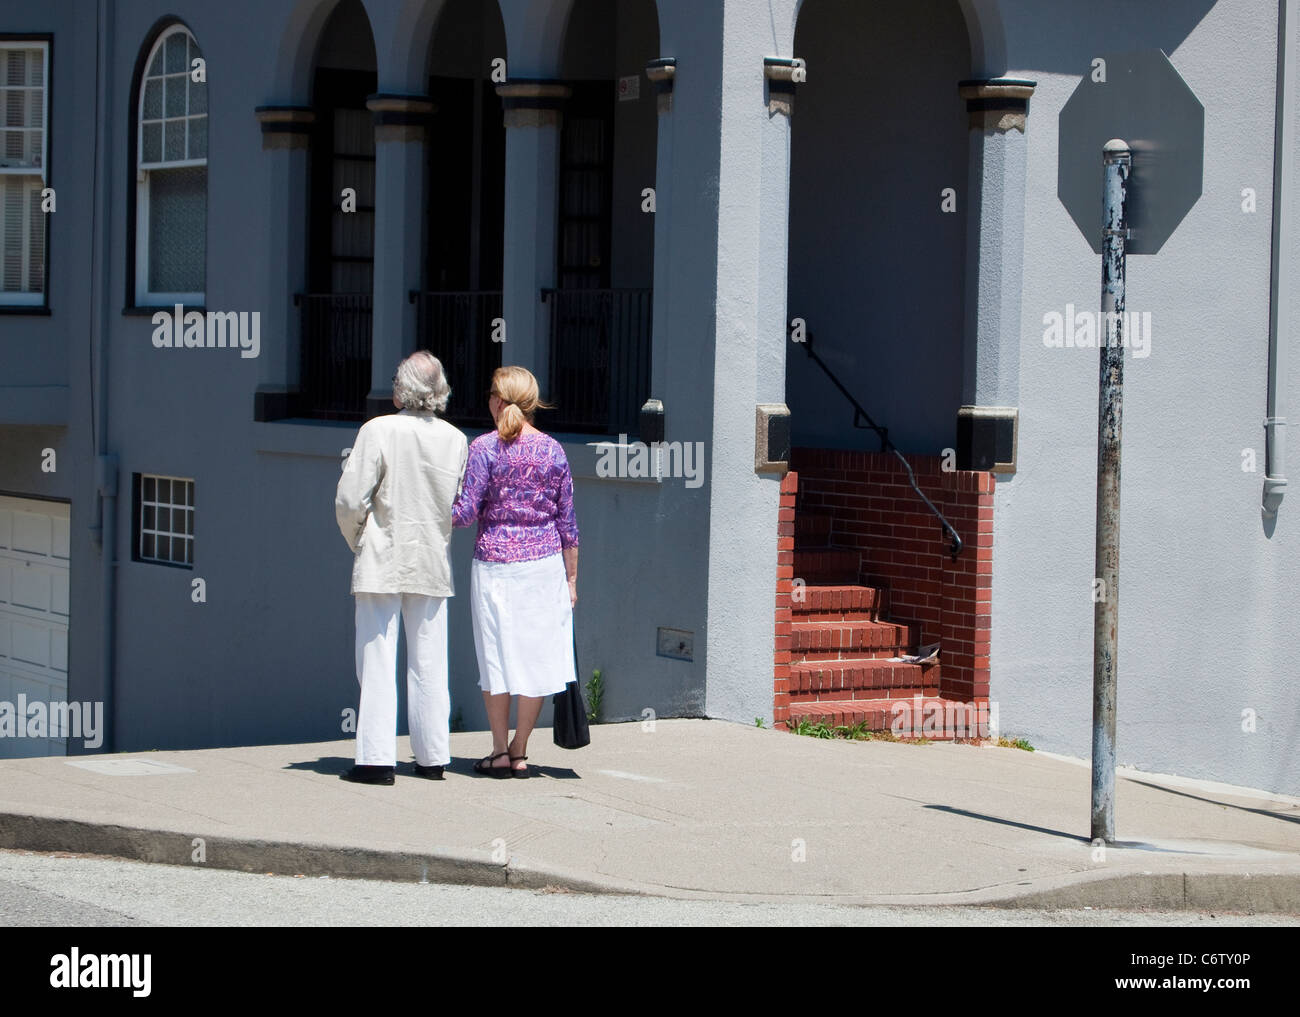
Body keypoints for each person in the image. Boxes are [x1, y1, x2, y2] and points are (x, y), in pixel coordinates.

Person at [335, 352, 468, 784]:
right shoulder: (455, 439)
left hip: (384, 552)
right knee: (429, 660)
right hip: (431, 556)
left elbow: (350, 499)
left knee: (376, 657)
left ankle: (375, 759)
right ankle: (433, 757)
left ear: (401, 389)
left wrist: (359, 538)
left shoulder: (378, 430)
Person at [452, 365, 579, 778]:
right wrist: (571, 580)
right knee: (534, 659)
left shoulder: (483, 447)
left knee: (496, 659)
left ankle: (497, 750)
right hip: (543, 568)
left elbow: (466, 513)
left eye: (490, 393)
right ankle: (520, 748)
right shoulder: (554, 450)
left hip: (494, 566)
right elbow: (568, 525)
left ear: (497, 400)